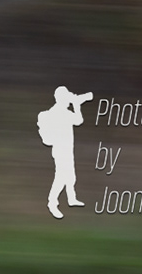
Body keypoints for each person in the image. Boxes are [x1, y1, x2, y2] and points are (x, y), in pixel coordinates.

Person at [37, 86, 94, 218]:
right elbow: (79, 121)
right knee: (61, 177)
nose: (69, 99)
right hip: (61, 150)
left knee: (70, 176)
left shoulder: (63, 112)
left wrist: (76, 103)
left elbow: (78, 121)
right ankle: (52, 203)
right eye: (67, 97)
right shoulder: (59, 113)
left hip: (67, 149)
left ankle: (71, 198)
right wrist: (77, 105)